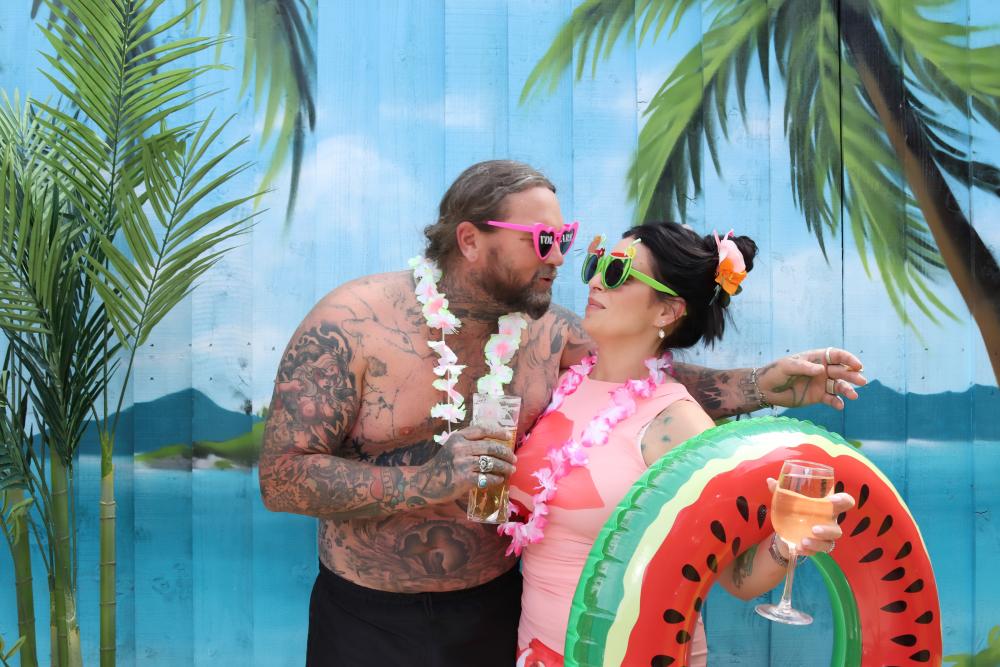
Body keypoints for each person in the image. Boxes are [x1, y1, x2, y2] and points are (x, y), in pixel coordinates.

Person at [257, 160, 866, 667]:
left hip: (501, 615)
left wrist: (760, 386)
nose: (560, 259)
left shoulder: (548, 332)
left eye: (567, 240)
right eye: (543, 241)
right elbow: (281, 477)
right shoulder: (352, 326)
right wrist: (426, 482)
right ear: (471, 241)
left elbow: (641, 384)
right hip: (367, 619)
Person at [507, 224, 857, 667]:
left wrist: (791, 543)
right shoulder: (560, 385)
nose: (595, 281)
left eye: (617, 273)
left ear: (666, 311)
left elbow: (737, 576)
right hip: (536, 652)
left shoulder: (678, 424)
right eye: (597, 263)